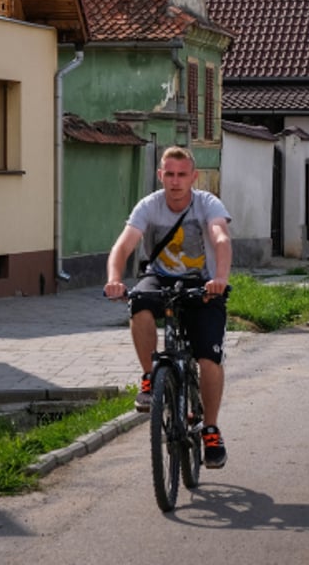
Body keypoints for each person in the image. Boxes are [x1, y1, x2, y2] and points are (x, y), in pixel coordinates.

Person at [104, 145, 232, 468]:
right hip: (158, 278)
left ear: (193, 177)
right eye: (169, 175)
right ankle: (150, 377)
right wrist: (115, 278)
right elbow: (124, 244)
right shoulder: (150, 206)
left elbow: (220, 237)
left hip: (203, 284)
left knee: (207, 357)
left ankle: (211, 429)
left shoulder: (207, 204)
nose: (175, 182)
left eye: (182, 175)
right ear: (160, 175)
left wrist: (219, 278)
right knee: (139, 301)